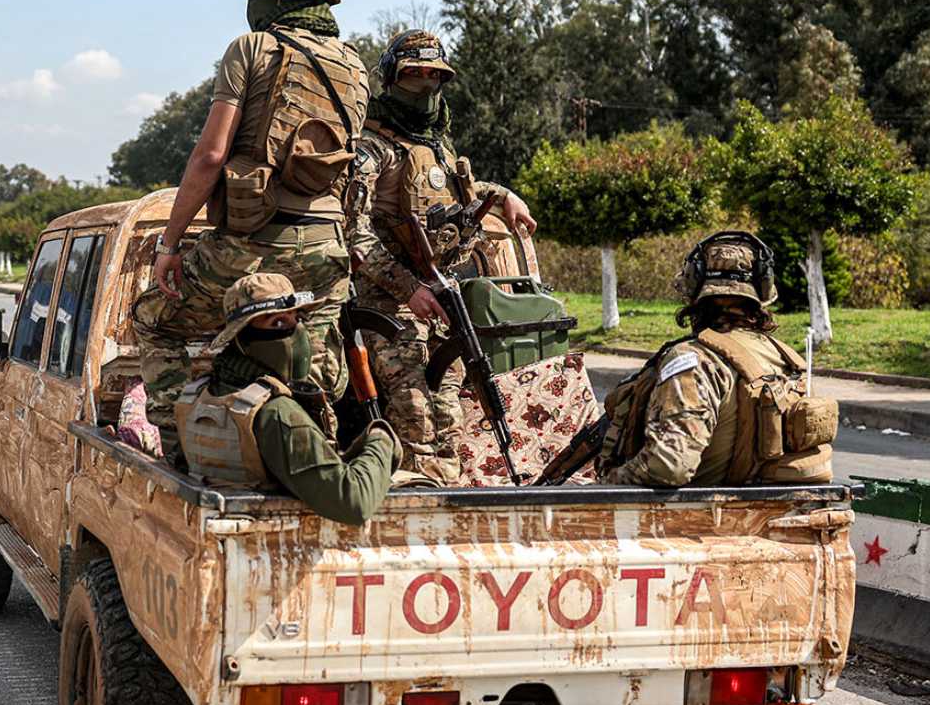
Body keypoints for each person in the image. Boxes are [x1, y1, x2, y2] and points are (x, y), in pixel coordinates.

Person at [131, 0, 370, 454]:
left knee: (155, 322)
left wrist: (169, 244)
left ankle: (181, 452)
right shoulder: (355, 65)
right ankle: (312, 454)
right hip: (328, 250)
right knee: (312, 359)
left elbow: (210, 157)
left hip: (253, 245)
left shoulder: (252, 48)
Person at [342, 29, 541, 485]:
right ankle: (413, 503)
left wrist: (505, 196)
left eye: (435, 76)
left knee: (449, 411)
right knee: (414, 413)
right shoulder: (371, 150)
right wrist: (407, 288)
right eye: (414, 76)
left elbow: (459, 198)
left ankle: (446, 498)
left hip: (441, 302)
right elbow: (353, 232)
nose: (426, 87)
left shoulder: (438, 145)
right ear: (390, 79)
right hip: (385, 305)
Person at [596, 231, 837, 487]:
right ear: (762, 292)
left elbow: (667, 466)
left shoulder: (693, 360)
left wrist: (608, 483)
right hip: (771, 515)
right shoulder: (787, 359)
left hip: (699, 518)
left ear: (693, 288)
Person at [176, 273, 400, 525]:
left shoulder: (198, 394)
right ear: (242, 337)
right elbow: (353, 503)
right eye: (277, 324)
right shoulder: (277, 412)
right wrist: (381, 440)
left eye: (298, 319)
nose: (297, 333)